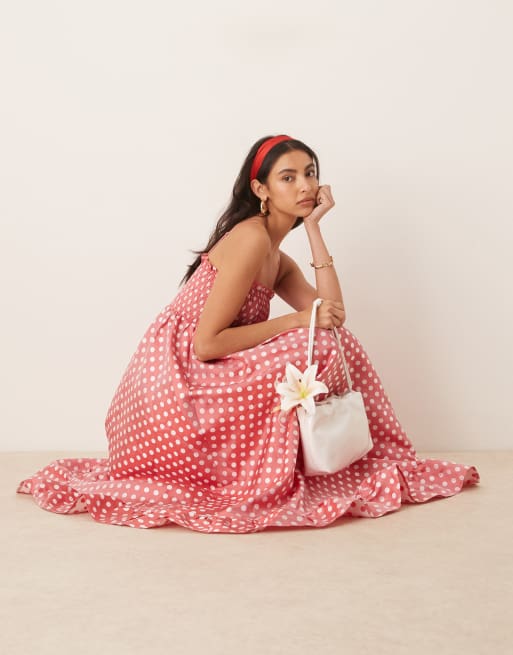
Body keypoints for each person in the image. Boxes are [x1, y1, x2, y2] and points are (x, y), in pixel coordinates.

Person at [16, 134, 480, 533]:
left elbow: (333, 316)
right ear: (261, 189)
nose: (305, 185)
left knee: (333, 341)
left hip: (209, 369)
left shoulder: (277, 256)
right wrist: (293, 321)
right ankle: (264, 473)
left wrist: (314, 228)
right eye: (288, 177)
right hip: (175, 384)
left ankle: (326, 456)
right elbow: (206, 344)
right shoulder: (251, 237)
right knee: (308, 341)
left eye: (310, 174)